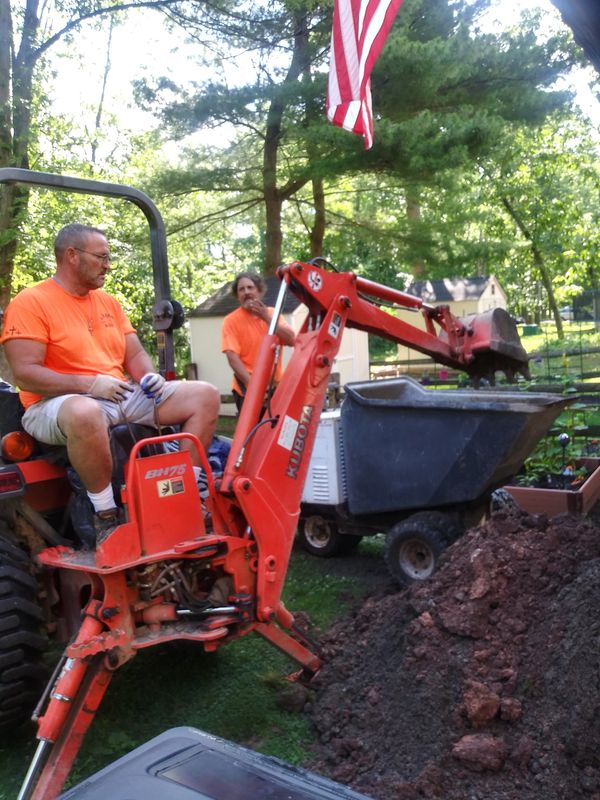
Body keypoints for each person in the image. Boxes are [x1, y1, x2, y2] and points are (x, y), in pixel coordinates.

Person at [1, 223, 220, 543]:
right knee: (85, 412)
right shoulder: (32, 302)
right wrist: (90, 385)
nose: (108, 265)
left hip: (118, 395)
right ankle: (105, 514)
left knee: (205, 395)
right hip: (53, 405)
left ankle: (185, 492)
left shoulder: (108, 304)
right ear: (72, 256)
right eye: (102, 257)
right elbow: (26, 374)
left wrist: (148, 377)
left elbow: (135, 355)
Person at [221, 272, 295, 413]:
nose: (246, 292)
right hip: (247, 388)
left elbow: (291, 340)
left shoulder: (273, 314)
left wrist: (266, 317)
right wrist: (253, 387)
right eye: (241, 289)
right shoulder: (230, 321)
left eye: (250, 287)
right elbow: (232, 357)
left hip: (276, 387)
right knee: (252, 433)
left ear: (259, 291)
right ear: (237, 295)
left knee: (278, 432)